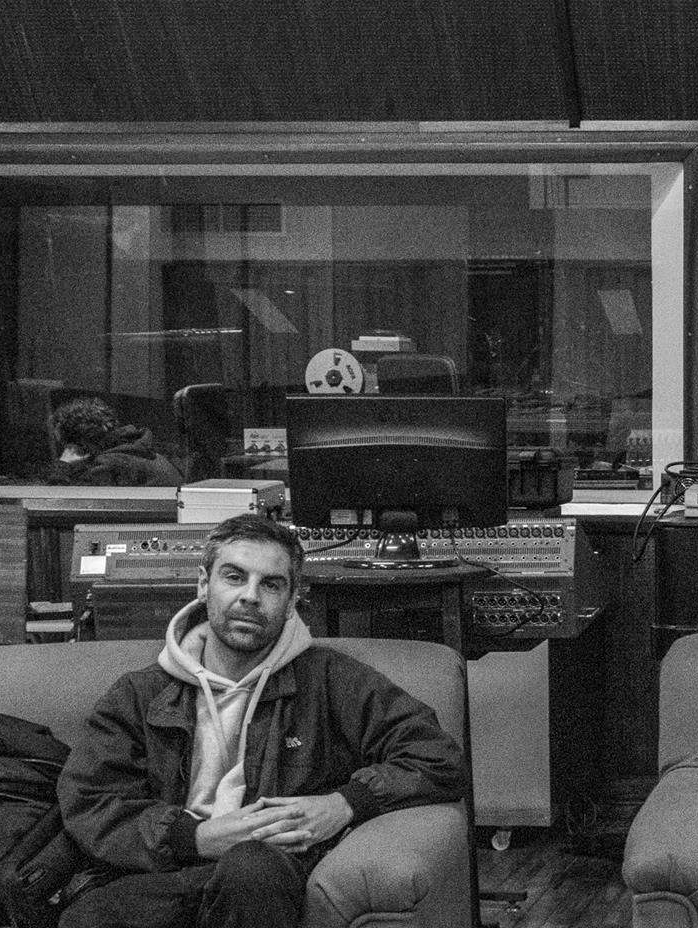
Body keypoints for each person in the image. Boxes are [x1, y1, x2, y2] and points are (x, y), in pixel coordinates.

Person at [56, 513, 467, 928]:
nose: (250, 597)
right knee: (91, 916)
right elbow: (90, 801)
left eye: (271, 585)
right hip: (165, 873)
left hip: (266, 876)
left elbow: (437, 756)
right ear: (204, 585)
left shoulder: (330, 679)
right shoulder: (140, 693)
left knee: (252, 869)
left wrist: (344, 803)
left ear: (291, 601)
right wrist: (194, 837)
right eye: (234, 577)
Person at [45, 396, 184, 486]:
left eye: (64, 445)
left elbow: (60, 504)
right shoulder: (138, 451)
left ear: (78, 445)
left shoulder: (109, 464)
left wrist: (63, 466)